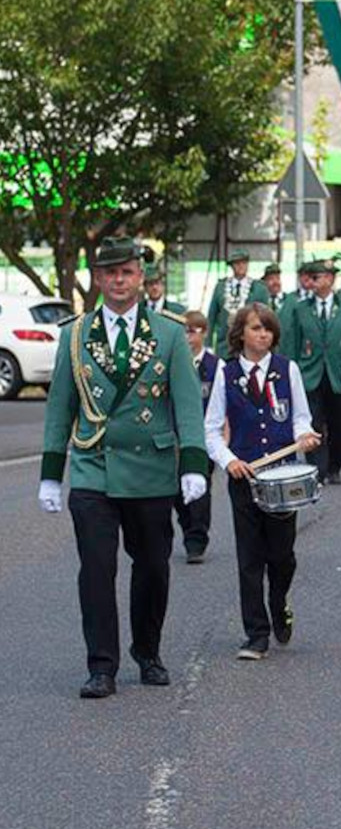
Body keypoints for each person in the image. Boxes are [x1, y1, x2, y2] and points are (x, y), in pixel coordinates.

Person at [39, 237, 208, 699]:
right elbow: (60, 407)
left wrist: (193, 464)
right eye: (110, 273)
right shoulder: (75, 335)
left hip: (151, 470)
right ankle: (101, 666)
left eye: (127, 272)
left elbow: (188, 406)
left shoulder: (170, 334)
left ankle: (147, 652)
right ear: (98, 278)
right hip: (94, 467)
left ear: (141, 278)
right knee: (95, 569)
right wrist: (52, 473)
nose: (119, 280)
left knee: (153, 566)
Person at [204, 303, 321, 660]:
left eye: (268, 329)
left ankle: (278, 599)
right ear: (241, 334)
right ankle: (255, 634)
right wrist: (229, 460)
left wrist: (306, 435)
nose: (263, 335)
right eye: (256, 328)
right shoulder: (226, 374)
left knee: (282, 556)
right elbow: (210, 431)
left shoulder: (288, 370)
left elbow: (300, 418)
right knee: (250, 558)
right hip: (245, 479)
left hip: (283, 479)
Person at [284, 259, 341, 485]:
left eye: (317, 277)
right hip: (311, 375)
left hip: (338, 376)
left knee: (339, 424)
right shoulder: (301, 308)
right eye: (311, 277)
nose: (312, 282)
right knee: (313, 423)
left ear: (330, 279)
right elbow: (293, 344)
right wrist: (293, 372)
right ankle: (317, 468)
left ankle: (335, 466)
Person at [174, 311, 219, 563]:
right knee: (177, 493)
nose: (187, 337)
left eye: (191, 331)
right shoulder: (173, 362)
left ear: (203, 332)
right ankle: (187, 525)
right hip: (174, 437)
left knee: (202, 489)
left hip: (203, 438)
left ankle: (197, 539)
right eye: (184, 331)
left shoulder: (216, 366)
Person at [206, 250, 268, 356]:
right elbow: (211, 316)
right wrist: (208, 344)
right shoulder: (220, 287)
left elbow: (266, 319)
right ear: (232, 266)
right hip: (224, 345)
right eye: (237, 263)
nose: (241, 266)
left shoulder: (259, 288)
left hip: (249, 345)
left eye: (244, 263)